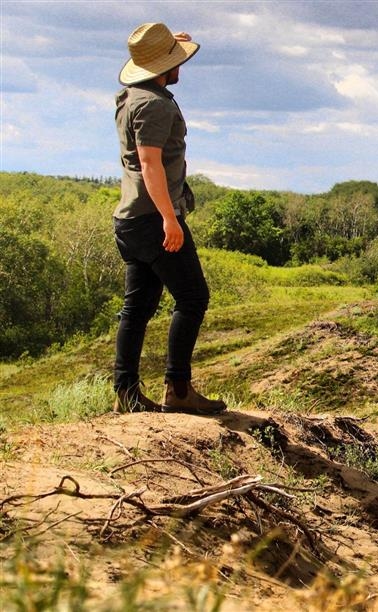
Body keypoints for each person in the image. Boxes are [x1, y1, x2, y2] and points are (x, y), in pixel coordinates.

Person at [112, 22, 225, 415]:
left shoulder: (132, 96)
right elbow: (150, 164)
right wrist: (169, 220)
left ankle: (125, 393)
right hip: (152, 218)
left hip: (129, 219)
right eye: (176, 61)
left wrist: (168, 45)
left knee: (138, 308)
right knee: (193, 298)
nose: (181, 67)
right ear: (162, 66)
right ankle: (178, 390)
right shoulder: (156, 104)